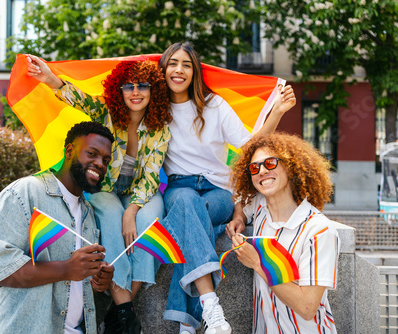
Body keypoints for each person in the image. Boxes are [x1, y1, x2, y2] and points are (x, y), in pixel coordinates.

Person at [157, 42, 296, 334]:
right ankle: (208, 307)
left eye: (186, 64)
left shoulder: (215, 105)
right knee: (187, 207)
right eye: (172, 63)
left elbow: (248, 147)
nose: (179, 70)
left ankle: (188, 320)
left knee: (190, 218)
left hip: (217, 191)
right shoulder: (156, 110)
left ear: (195, 72)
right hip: (180, 188)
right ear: (163, 69)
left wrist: (278, 111)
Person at [26, 55, 172, 334]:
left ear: (154, 89)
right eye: (128, 86)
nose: (136, 92)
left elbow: (152, 176)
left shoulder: (161, 128)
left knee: (152, 218)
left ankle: (122, 310)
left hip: (140, 190)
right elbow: (77, 98)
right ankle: (127, 314)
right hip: (104, 189)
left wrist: (134, 210)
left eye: (143, 85)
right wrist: (49, 79)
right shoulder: (106, 111)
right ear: (119, 90)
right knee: (110, 212)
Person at [0, 121, 115, 334]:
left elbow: (75, 288)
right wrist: (67, 268)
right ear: (69, 151)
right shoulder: (26, 192)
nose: (100, 164)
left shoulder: (89, 214)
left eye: (105, 160)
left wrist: (97, 282)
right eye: (92, 154)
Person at [228, 133, 339, 333]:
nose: (261, 171)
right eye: (254, 167)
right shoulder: (261, 209)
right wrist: (238, 219)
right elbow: (242, 201)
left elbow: (307, 307)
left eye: (270, 163)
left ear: (291, 166)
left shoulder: (319, 229)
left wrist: (257, 263)